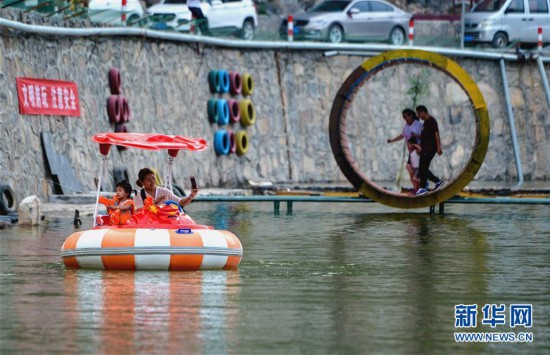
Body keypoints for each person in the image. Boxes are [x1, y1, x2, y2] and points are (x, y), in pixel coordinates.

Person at [134, 168, 198, 211]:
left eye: (153, 178)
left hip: (164, 223)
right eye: (149, 180)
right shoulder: (138, 195)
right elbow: (139, 211)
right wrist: (155, 202)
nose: (152, 181)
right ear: (142, 182)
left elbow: (181, 203)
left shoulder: (164, 191)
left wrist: (191, 195)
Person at [415, 105, 444, 195]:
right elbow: (425, 136)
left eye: (419, 114)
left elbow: (436, 134)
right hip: (425, 149)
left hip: (430, 149)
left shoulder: (431, 121)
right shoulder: (425, 122)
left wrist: (439, 147)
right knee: (422, 169)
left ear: (423, 112)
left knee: (423, 168)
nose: (418, 116)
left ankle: (424, 187)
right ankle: (432, 183)